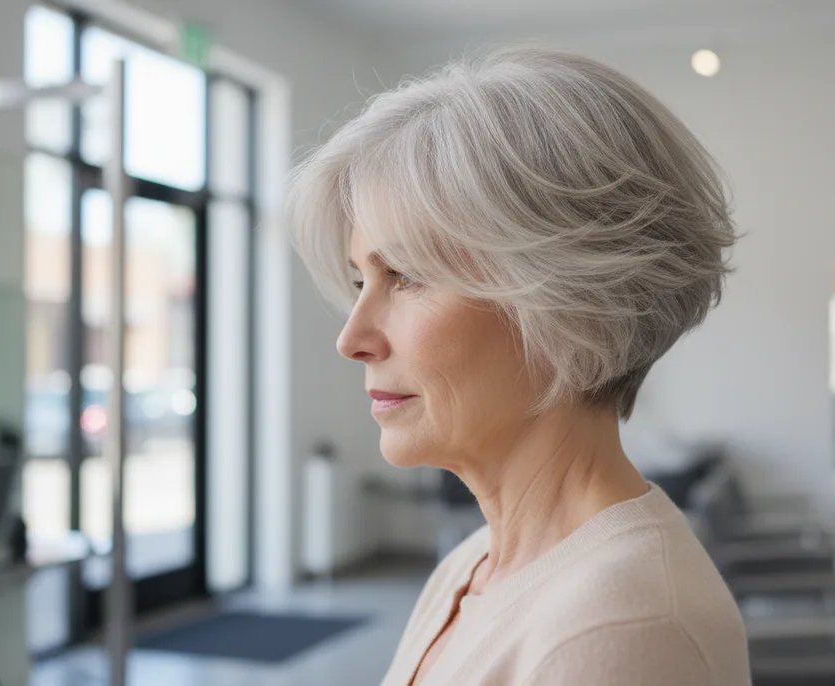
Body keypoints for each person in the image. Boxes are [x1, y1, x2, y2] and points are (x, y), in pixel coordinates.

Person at [288, 46, 750, 686]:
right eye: (359, 278)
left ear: (572, 303)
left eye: (408, 275)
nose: (353, 337)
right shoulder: (473, 565)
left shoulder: (615, 632)